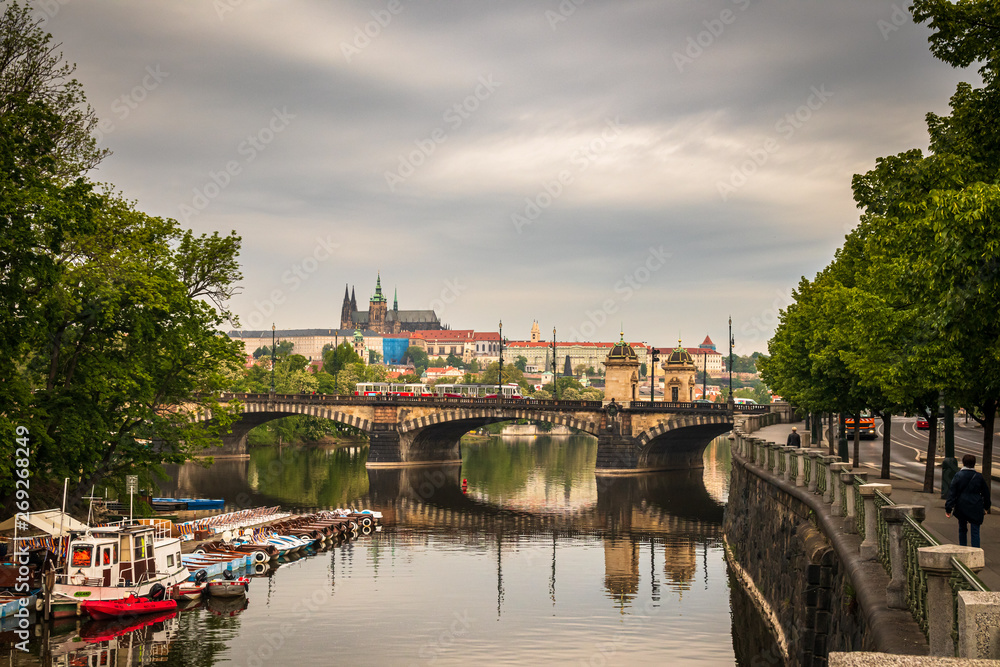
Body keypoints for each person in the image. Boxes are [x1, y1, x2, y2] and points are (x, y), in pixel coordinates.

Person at [945, 454, 992, 548]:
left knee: (962, 529)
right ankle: (975, 552)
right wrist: (986, 507)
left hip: (961, 505)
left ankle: (962, 549)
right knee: (975, 531)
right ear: (974, 464)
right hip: (975, 505)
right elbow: (986, 493)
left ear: (963, 463)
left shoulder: (958, 475)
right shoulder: (979, 477)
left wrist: (948, 508)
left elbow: (952, 493)